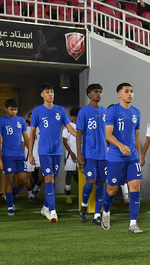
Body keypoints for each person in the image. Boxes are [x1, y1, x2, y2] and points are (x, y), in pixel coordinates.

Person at [29, 84, 77, 223]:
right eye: (47, 92)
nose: (50, 94)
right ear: (42, 95)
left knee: (53, 180)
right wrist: (31, 154)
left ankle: (45, 207)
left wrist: (81, 135)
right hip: (44, 151)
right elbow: (32, 133)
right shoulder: (37, 111)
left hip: (57, 151)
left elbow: (70, 128)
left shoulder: (60, 110)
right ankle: (53, 212)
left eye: (52, 92)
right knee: (48, 178)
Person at [102, 83, 143, 233]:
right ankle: (106, 212)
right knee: (111, 190)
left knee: (135, 188)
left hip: (132, 158)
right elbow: (108, 135)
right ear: (119, 94)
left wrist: (138, 155)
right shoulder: (112, 111)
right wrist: (120, 146)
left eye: (131, 91)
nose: (130, 94)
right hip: (116, 158)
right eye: (126, 91)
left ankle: (133, 223)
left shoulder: (136, 112)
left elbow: (137, 135)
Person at [77, 84, 108, 225]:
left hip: (104, 155)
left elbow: (109, 134)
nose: (99, 94)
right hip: (89, 153)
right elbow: (79, 134)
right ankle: (84, 206)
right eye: (96, 92)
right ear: (89, 95)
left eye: (100, 92)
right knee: (91, 181)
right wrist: (79, 153)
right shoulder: (84, 112)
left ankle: (97, 215)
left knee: (101, 184)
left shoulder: (105, 112)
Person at [0, 99, 29, 216]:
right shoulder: (1, 121)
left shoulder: (21, 121)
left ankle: (9, 195)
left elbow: (26, 137)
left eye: (15, 110)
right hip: (7, 155)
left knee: (23, 180)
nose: (14, 112)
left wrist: (31, 153)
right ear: (6, 109)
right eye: (11, 109)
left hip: (20, 154)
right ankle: (10, 206)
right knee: (9, 180)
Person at [62, 107, 79, 204]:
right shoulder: (68, 126)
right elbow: (64, 140)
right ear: (74, 116)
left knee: (84, 174)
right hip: (70, 154)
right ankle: (68, 196)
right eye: (77, 116)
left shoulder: (83, 125)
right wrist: (71, 152)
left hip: (80, 154)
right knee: (69, 174)